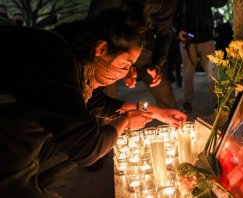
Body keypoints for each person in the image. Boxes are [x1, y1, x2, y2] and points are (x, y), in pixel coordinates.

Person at [0, 9, 186, 197]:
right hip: (8, 158)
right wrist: (126, 122)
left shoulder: (76, 61)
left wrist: (156, 112)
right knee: (94, 135)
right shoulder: (55, 59)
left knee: (92, 127)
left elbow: (97, 103)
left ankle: (34, 183)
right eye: (125, 64)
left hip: (21, 148)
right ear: (101, 48)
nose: (126, 73)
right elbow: (87, 148)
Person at [89, 0, 179, 109]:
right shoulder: (109, 5)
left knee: (159, 83)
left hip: (140, 45)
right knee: (107, 86)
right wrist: (124, 66)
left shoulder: (167, 3)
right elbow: (96, 26)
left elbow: (164, 32)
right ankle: (105, 123)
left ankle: (175, 120)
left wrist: (157, 63)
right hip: (110, 45)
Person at [177, 0, 227, 112]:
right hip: (187, 39)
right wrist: (178, 31)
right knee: (187, 71)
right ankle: (187, 101)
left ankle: (217, 101)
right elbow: (173, 15)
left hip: (206, 37)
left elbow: (220, 2)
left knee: (212, 71)